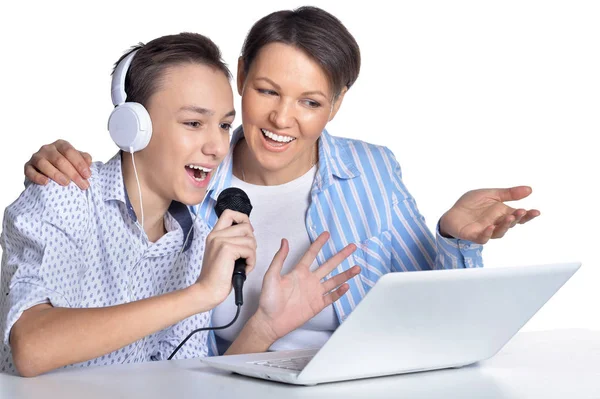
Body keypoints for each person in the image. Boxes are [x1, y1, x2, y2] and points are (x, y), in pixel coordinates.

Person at [22, 6, 540, 356]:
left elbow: (435, 316)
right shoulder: (195, 190)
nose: (281, 119)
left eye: (311, 102)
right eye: (268, 91)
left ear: (336, 105)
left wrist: (452, 240)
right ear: (242, 75)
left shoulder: (371, 172)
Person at [0, 32, 359, 377]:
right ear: (133, 126)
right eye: (193, 122)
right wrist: (200, 294)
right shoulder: (63, 193)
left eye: (222, 125)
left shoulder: (198, 239)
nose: (218, 147)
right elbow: (31, 348)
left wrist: (265, 326)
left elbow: (194, 383)